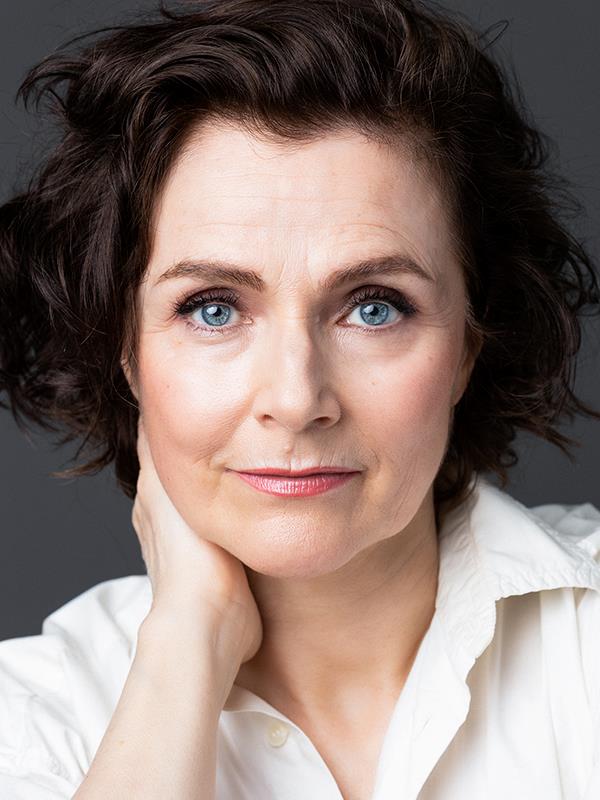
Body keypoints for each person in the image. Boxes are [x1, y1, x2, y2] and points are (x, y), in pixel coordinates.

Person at [0, 0, 599, 798]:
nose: (295, 398)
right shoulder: (33, 720)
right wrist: (188, 641)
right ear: (128, 354)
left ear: (468, 347)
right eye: (213, 309)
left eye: (374, 307)